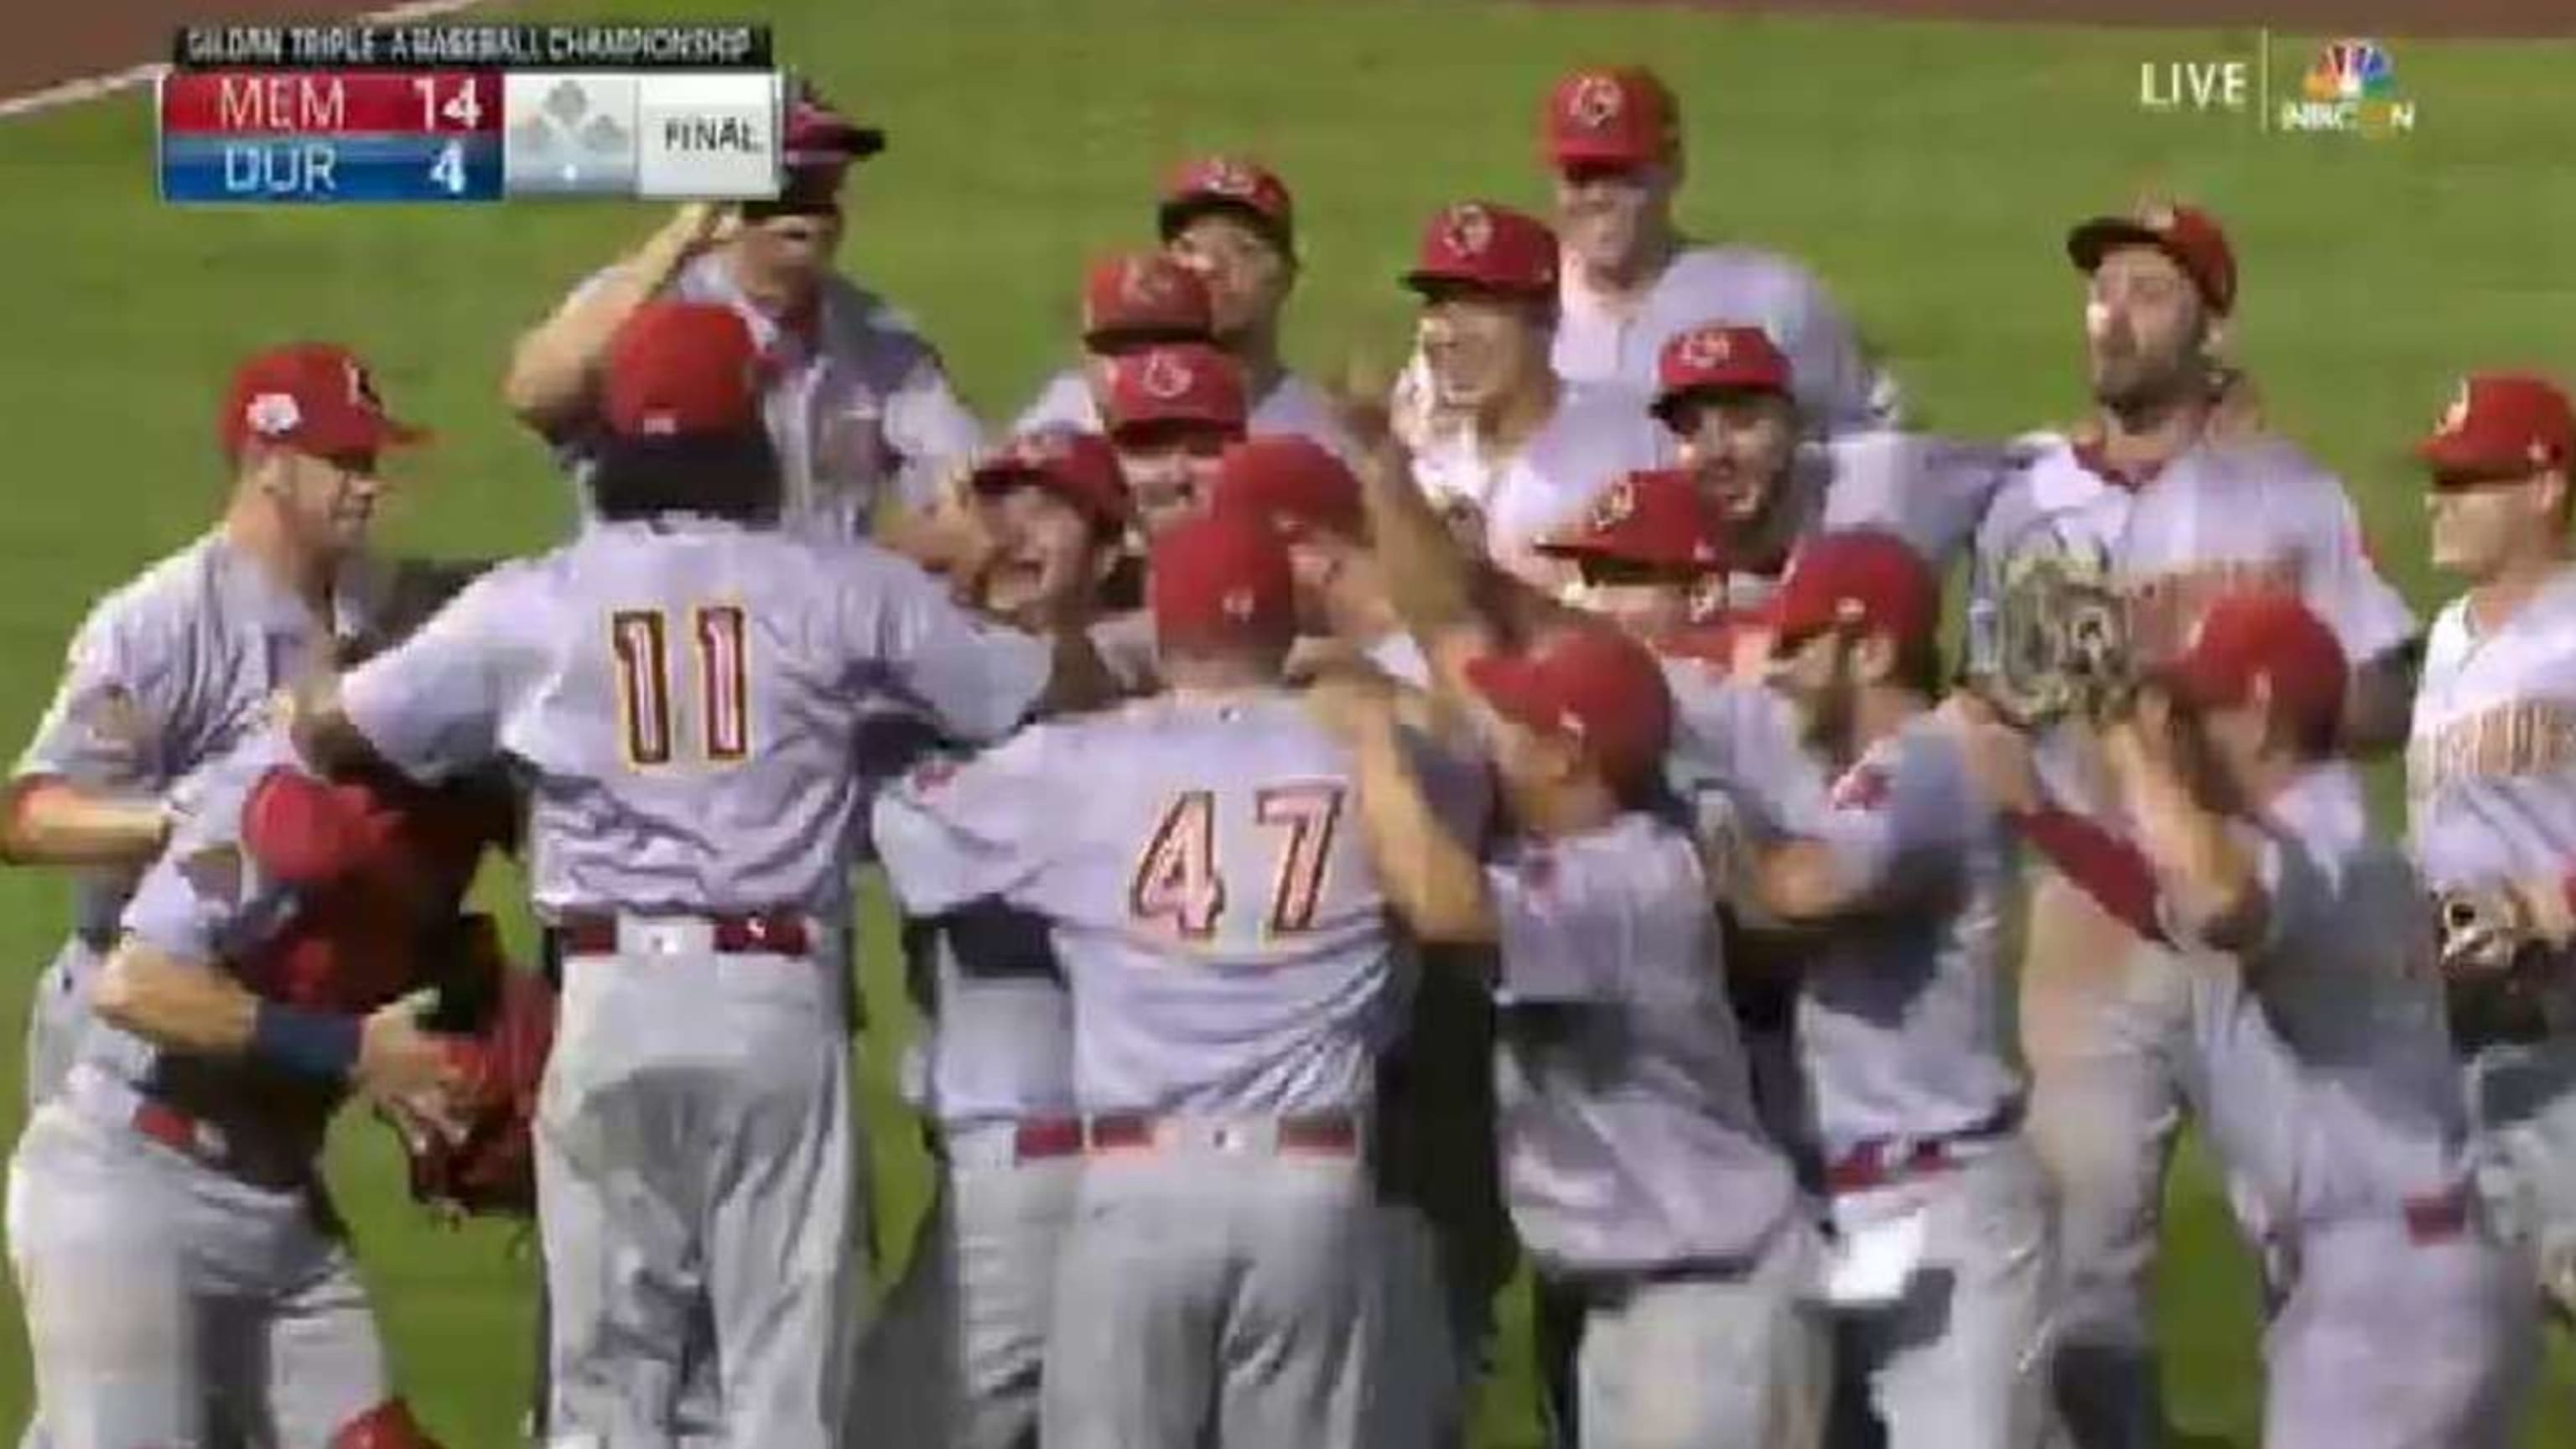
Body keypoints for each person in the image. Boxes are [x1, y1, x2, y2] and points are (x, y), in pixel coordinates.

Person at [288, 299, 1104, 1448]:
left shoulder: (536, 599)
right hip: (771, 1000)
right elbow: (1031, 692)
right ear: (751, 439)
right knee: (781, 1379)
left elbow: (338, 732)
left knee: (605, 1381)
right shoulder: (835, 585)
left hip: (609, 1004)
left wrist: (319, 655)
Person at [1966, 199, 2419, 1449]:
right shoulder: (2026, 498)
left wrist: (2268, 697)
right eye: (2101, 287)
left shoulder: (2287, 494)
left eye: (2149, 291)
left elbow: (2386, 690)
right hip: (2091, 928)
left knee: (2318, 1241)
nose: (2113, 313)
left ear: (2209, 322)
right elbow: (1993, 700)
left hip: (2265, 912)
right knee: (2084, 1266)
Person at [873, 511, 1415, 1449]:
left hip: (1143, 1184)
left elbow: (907, 831)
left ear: (1161, 623)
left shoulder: (1082, 762)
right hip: (1314, 1185)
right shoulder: (1374, 761)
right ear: (1286, 629)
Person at [1961, 592, 2537, 1447]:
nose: (2177, 734)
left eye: (2196, 711)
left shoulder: (2313, 839)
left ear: (2260, 715)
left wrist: (2120, 729)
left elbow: (2219, 900)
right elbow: (2175, 912)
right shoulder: (2321, 841)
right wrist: (2043, 812)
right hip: (2425, 1276)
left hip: (2381, 1305)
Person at [8, 595, 512, 1449]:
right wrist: (350, 1050)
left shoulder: (448, 816)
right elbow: (137, 986)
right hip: (131, 1191)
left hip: (275, 1208)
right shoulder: (269, 803)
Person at [1329, 612, 1828, 1448]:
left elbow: (1444, 906)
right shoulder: (1574, 855)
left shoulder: (1634, 878)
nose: (1496, 741)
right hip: (1643, 1306)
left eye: (1517, 726)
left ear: (1567, 755)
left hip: (1712, 1311)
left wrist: (1372, 743)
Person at [3, 342, 423, 1114]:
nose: (369, 487)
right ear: (268, 461)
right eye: (343, 461)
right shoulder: (160, 624)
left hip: (253, 1014)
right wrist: (184, 823)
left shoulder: (374, 603)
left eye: (370, 461)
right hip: (123, 1028)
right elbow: (28, 818)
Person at [1727, 530, 2054, 1447]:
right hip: (1864, 1195)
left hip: (1944, 1193)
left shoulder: (1923, 765)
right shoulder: (1858, 778)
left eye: (1797, 645)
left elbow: (1804, 891)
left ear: (1869, 649)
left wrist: (1705, 840)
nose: (1775, 670)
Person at [854, 427, 1132, 1449]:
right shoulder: (955, 706)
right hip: (1035, 1177)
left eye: (1047, 509)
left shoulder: (1107, 722)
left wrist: (914, 572)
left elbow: (928, 856)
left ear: (1107, 554)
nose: (1009, 533)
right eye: (994, 505)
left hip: (1047, 1176)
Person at [502, 86, 982, 541]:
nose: (808, 212)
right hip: (659, 609)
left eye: (824, 186)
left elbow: (963, 479)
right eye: (787, 184)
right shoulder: (647, 309)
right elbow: (535, 395)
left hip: (815, 617)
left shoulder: (877, 342)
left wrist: (888, 576)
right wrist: (680, 238)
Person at [1393, 65, 1894, 449]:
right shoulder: (1499, 309)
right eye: (1581, 176)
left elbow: (1871, 449)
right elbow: (1426, 457)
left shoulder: (1769, 299)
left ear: (1672, 169)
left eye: (1622, 174)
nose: (1598, 197)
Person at [2402, 374, 2576, 1339]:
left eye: (2467, 482)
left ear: (2545, 489)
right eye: (2439, 477)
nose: (2439, 500)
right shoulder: (2445, 642)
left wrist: (2554, 900)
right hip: (2464, 1034)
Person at [1397, 200, 1673, 589]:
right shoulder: (1413, 453)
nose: (1450, 332)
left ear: (1546, 317)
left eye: (1480, 305)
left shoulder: (1632, 442)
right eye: (1437, 304)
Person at [1647, 322, 2005, 619]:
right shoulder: (1640, 536)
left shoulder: (1887, 479)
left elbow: (2034, 466)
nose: (1717, 453)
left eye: (1743, 421)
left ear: (1796, 426)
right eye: (1690, 427)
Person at [1011, 252, 1219, 434]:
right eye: (1124, 349)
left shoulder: (1234, 424)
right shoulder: (1055, 435)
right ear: (1085, 355)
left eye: (1172, 345)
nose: (1149, 367)